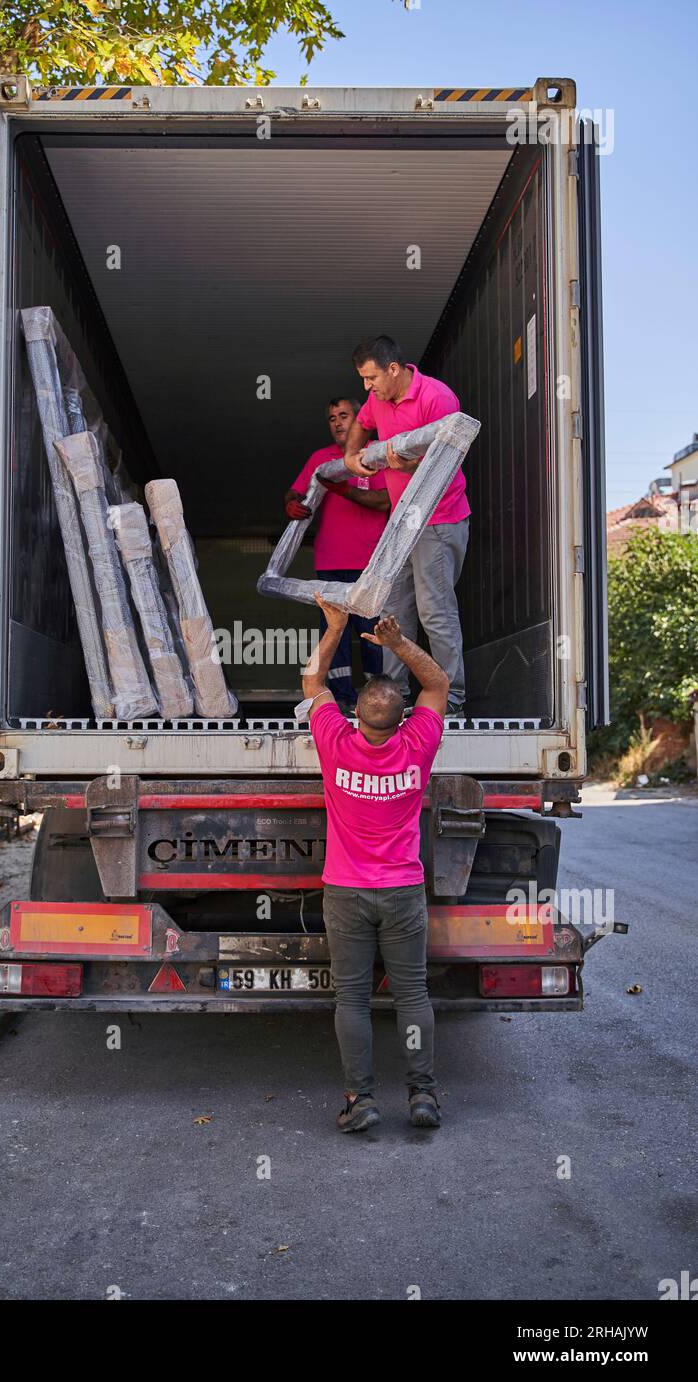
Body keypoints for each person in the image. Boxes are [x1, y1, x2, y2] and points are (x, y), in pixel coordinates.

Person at [302, 594, 449, 1132]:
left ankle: (360, 1101)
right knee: (412, 994)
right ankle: (423, 1097)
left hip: (344, 892)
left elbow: (313, 683)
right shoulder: (417, 745)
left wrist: (336, 626)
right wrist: (397, 643)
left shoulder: (335, 742)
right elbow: (437, 685)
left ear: (356, 714)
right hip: (404, 891)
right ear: (401, 716)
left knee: (353, 1001)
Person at [342, 335, 469, 716]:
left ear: (393, 369)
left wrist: (406, 464)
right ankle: (396, 699)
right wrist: (350, 455)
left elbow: (446, 465)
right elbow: (362, 425)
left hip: (438, 518)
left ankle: (452, 701)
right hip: (401, 522)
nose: (367, 387)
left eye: (370, 378)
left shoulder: (438, 399)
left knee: (435, 611)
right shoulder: (378, 398)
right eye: (363, 380)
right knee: (393, 612)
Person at [285, 397, 390, 712]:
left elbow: (385, 501)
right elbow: (295, 491)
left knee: (373, 633)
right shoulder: (321, 458)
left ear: (360, 420)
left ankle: (379, 699)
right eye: (332, 418)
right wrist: (291, 503)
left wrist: (345, 490)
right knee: (335, 632)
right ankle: (342, 698)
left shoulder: (377, 454)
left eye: (344, 416)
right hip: (330, 562)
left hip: (371, 564)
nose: (338, 423)